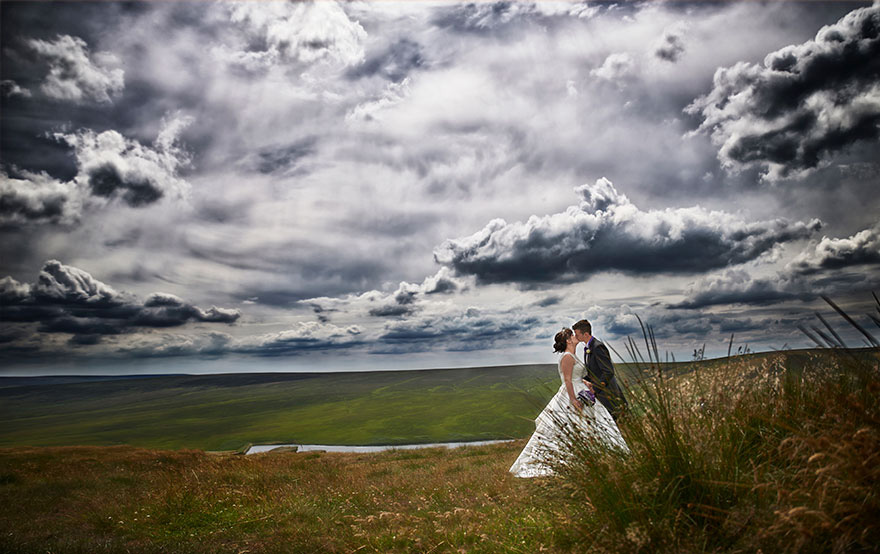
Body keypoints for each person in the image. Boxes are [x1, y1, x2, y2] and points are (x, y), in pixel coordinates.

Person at [509, 328, 629, 478]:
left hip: (581, 388)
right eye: (572, 335)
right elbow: (567, 380)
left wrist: (586, 383)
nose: (575, 336)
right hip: (571, 393)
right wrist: (573, 399)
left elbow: (575, 377)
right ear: (568, 340)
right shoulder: (567, 357)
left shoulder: (573, 355)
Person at [573, 319, 628, 421]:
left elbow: (608, 371)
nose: (575, 337)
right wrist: (580, 380)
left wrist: (595, 388)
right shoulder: (589, 348)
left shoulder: (598, 347)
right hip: (601, 394)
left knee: (614, 423)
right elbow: (593, 372)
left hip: (608, 394)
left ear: (585, 334)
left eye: (577, 334)